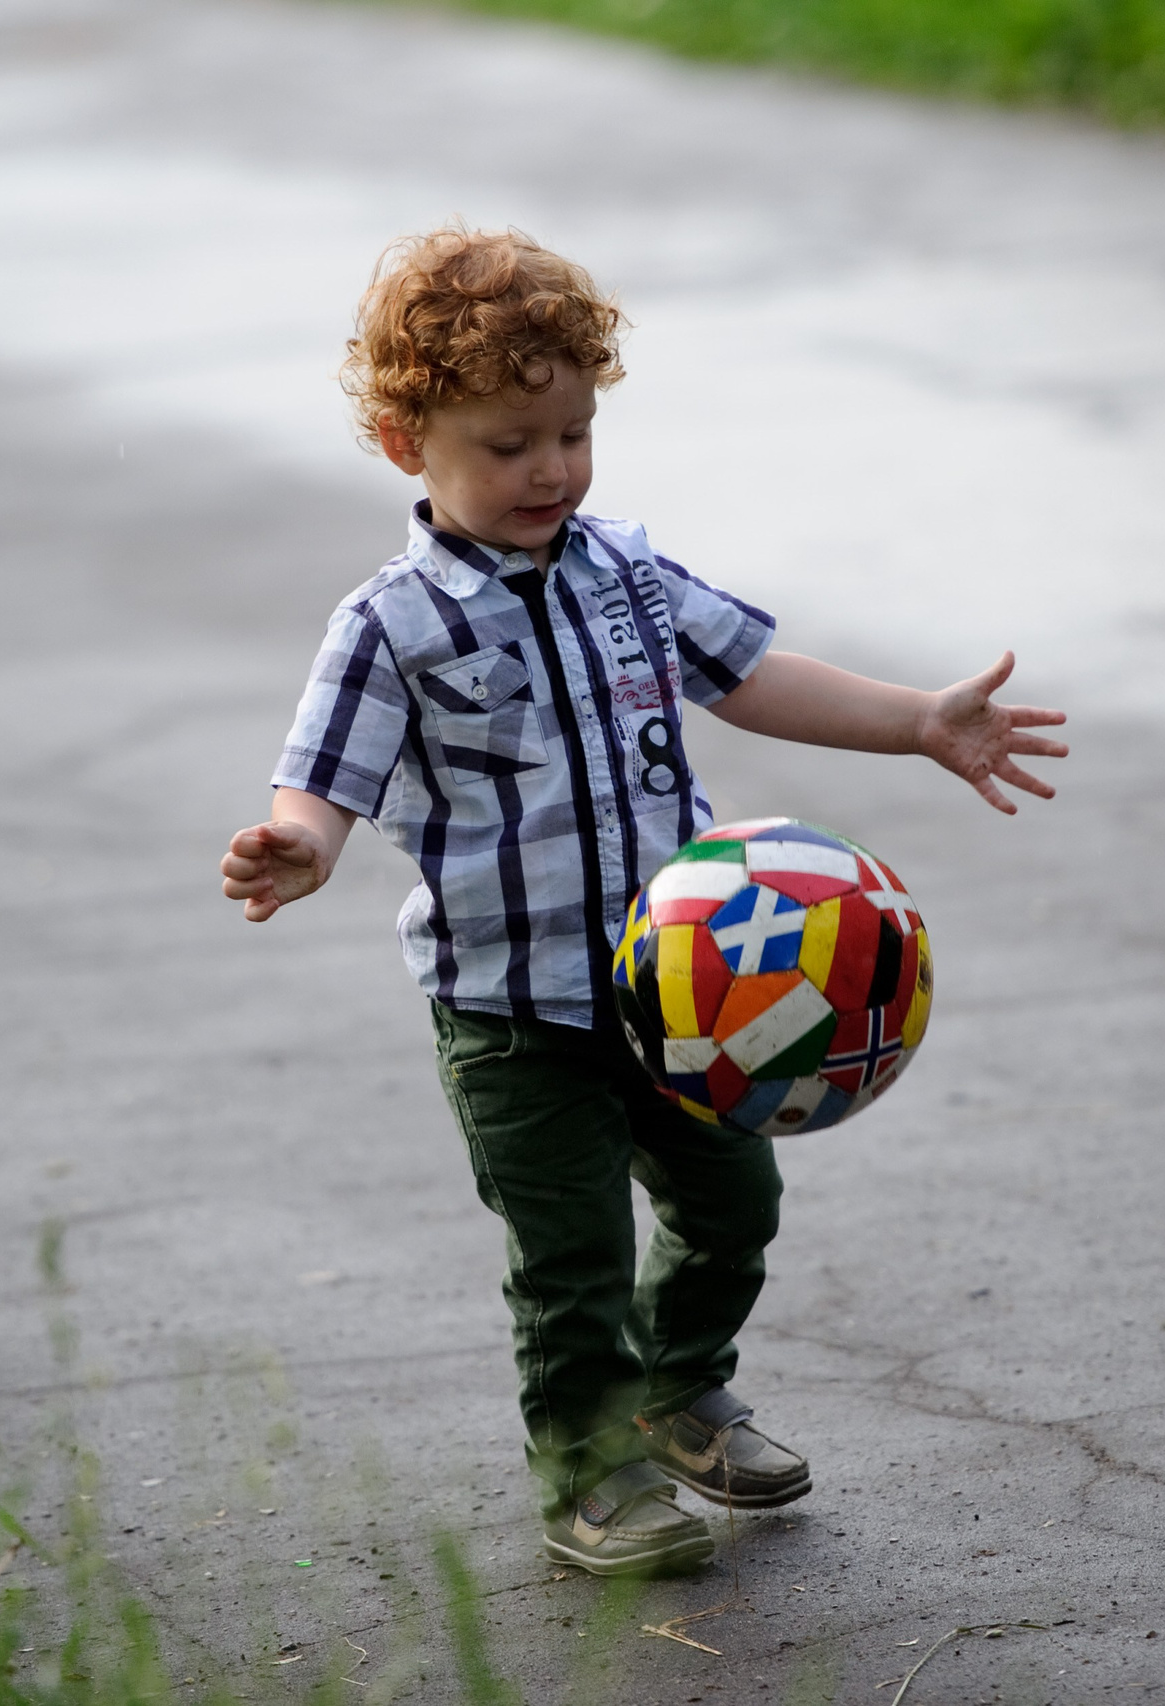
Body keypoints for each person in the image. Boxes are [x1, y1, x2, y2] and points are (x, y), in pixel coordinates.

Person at [219, 226, 1066, 1577]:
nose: (551, 467)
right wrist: (298, 847)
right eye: (509, 443)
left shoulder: (624, 571)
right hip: (513, 1015)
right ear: (403, 441)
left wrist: (919, 722)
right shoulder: (386, 626)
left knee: (735, 1206)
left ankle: (681, 1393)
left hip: (687, 996)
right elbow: (321, 782)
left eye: (574, 430)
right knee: (573, 1264)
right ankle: (592, 1474)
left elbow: (752, 671)